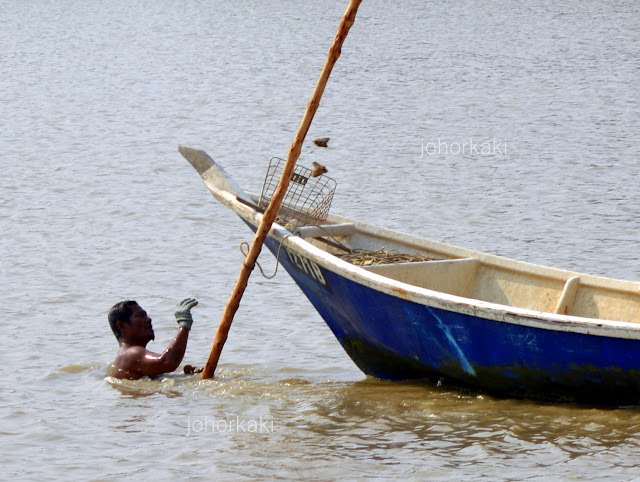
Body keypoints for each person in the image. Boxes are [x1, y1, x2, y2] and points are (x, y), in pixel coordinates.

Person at [107, 298, 198, 380]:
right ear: (122, 326)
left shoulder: (125, 356)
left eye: (146, 315)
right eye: (141, 316)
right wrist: (184, 325)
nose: (149, 319)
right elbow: (167, 362)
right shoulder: (132, 353)